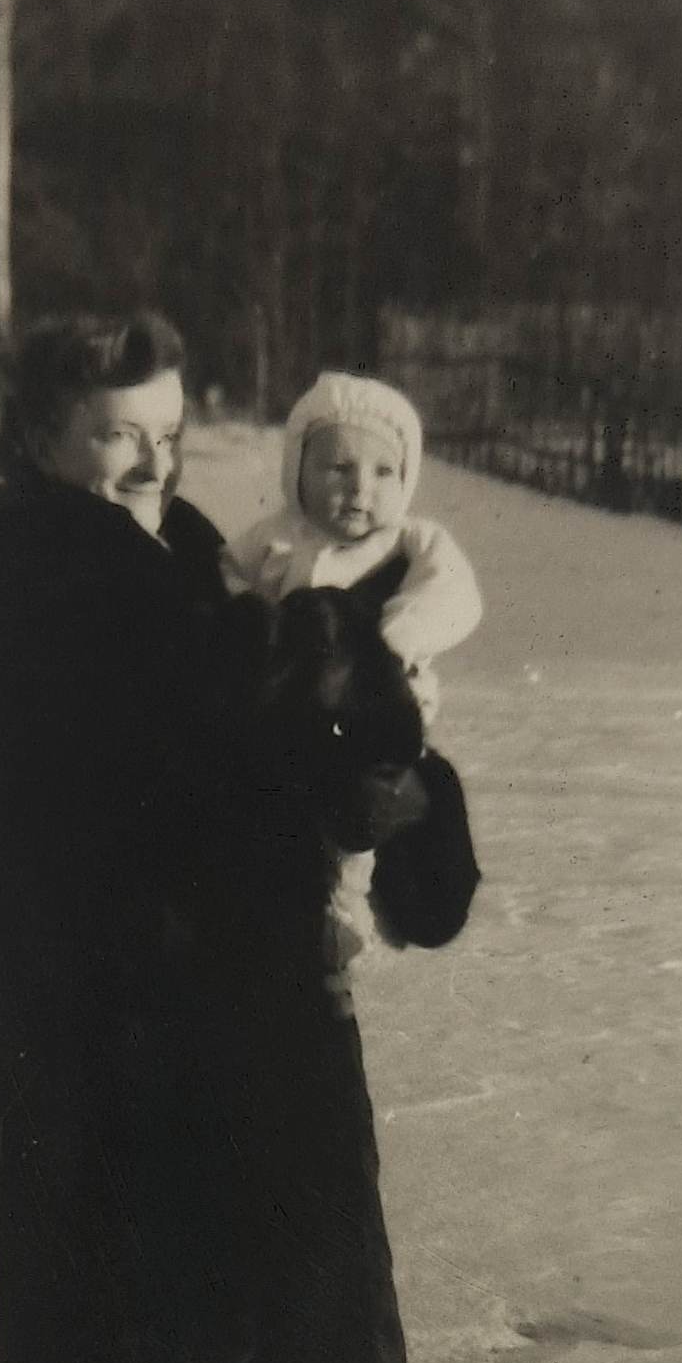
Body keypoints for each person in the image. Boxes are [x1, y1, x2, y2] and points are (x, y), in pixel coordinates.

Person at [0, 313, 407, 1363]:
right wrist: (290, 681)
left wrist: (346, 758)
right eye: (113, 433)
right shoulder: (35, 572)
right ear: (41, 436)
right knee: (103, 1306)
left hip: (211, 996)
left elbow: (248, 734)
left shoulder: (189, 546)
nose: (149, 460)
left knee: (208, 1292)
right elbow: (138, 764)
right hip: (94, 1005)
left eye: (167, 430)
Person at [223, 371, 483, 963]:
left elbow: (454, 592)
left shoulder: (410, 540)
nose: (360, 488)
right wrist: (250, 622)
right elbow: (228, 576)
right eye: (338, 468)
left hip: (381, 718)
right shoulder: (275, 539)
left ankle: (355, 904)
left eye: (384, 472)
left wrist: (396, 636)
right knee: (293, 817)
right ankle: (314, 905)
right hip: (297, 723)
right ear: (298, 471)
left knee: (369, 806)